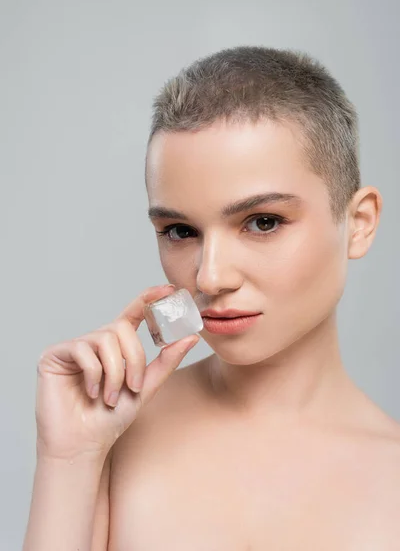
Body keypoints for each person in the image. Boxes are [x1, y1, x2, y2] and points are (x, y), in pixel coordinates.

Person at [23, 46, 400, 551]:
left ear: (358, 223)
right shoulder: (112, 434)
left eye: (263, 222)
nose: (211, 276)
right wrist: (66, 460)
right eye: (180, 230)